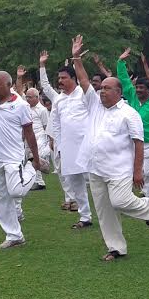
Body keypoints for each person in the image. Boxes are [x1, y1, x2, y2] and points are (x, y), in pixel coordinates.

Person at [71, 35, 149, 260]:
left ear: (119, 92)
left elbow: (139, 143)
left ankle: (148, 207)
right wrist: (77, 57)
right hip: (95, 167)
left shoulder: (129, 113)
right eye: (102, 88)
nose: (102, 91)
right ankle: (116, 248)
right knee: (104, 210)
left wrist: (138, 171)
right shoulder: (95, 105)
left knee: (119, 201)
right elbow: (83, 81)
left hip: (119, 168)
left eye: (107, 88)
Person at [0, 24, 43, 248]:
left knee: (15, 191)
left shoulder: (21, 105)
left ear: (9, 85)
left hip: (13, 157)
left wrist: (36, 158)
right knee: (1, 198)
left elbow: (29, 133)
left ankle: (31, 170)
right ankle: (14, 236)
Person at [42, 51, 93, 227]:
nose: (60, 81)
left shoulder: (84, 94)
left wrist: (76, 58)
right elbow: (56, 124)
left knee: (98, 179)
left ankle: (111, 209)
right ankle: (85, 216)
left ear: (73, 78)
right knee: (75, 182)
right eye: (59, 78)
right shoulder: (59, 100)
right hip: (69, 147)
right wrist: (59, 144)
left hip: (89, 145)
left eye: (64, 78)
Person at [116, 48, 149, 199]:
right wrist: (120, 62)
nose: (138, 90)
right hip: (134, 143)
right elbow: (124, 81)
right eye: (137, 87)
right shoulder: (132, 97)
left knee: (145, 174)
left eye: (141, 88)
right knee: (145, 181)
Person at [24, 87, 50, 191]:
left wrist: (48, 141)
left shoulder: (42, 110)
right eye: (26, 97)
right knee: (28, 159)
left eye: (30, 97)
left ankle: (39, 182)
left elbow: (46, 126)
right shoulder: (25, 108)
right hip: (28, 137)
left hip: (39, 137)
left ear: (37, 98)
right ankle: (33, 180)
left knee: (35, 158)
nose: (27, 99)